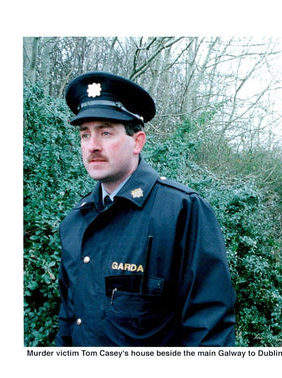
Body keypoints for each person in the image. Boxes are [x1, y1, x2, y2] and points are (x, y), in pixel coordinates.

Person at [54, 71, 236, 346]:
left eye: (105, 132)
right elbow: (68, 321)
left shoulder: (181, 211)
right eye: (84, 134)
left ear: (137, 141)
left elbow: (209, 326)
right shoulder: (74, 222)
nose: (92, 146)